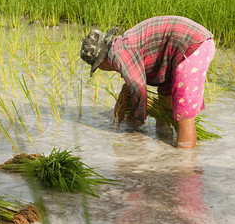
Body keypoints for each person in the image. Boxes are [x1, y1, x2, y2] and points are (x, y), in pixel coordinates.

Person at [80, 16, 215, 149]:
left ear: (101, 63)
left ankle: (185, 164)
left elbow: (138, 88)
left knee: (184, 116)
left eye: (99, 67)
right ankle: (166, 147)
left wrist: (136, 120)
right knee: (164, 103)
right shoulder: (122, 44)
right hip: (182, 49)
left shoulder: (118, 53)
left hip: (192, 46)